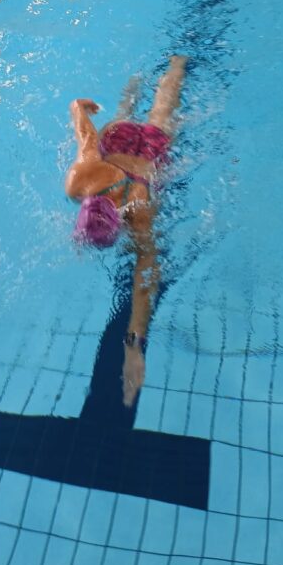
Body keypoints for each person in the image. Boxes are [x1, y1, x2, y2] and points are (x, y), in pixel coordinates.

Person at [65, 55, 187, 405]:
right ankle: (165, 69)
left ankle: (175, 69)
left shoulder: (139, 209)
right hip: (119, 139)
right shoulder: (81, 180)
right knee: (123, 113)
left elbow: (147, 269)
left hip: (151, 151)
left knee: (162, 111)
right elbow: (86, 137)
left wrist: (134, 345)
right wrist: (78, 108)